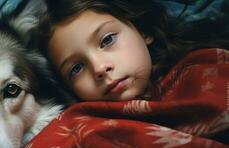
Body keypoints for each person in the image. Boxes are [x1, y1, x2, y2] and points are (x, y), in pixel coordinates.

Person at [37, 0, 229, 102]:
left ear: (143, 30)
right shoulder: (88, 128)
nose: (99, 68)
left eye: (107, 40)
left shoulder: (210, 67)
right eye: (76, 68)